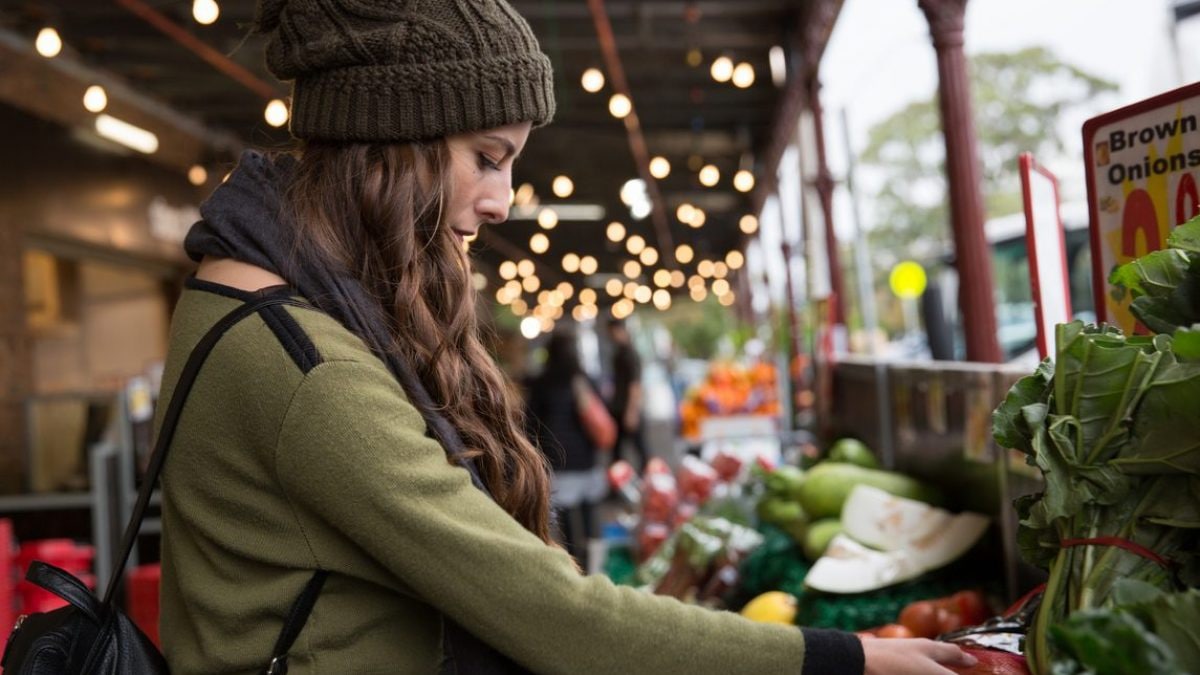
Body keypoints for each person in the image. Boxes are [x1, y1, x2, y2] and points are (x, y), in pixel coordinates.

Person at [155, 0, 978, 672]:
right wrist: (851, 659)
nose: (503, 199)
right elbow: (561, 622)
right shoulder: (308, 369)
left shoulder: (238, 299)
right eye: (487, 155)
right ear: (398, 140)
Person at [525, 328, 607, 571]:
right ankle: (597, 568)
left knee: (568, 525)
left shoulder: (542, 382)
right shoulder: (585, 380)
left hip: (558, 461)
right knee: (591, 517)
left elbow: (530, 423)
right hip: (587, 460)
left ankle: (577, 568)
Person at [607, 317, 648, 471]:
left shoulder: (630, 354)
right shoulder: (619, 353)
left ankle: (648, 479)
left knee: (639, 448)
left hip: (627, 408)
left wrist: (632, 411)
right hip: (619, 408)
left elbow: (635, 385)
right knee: (618, 451)